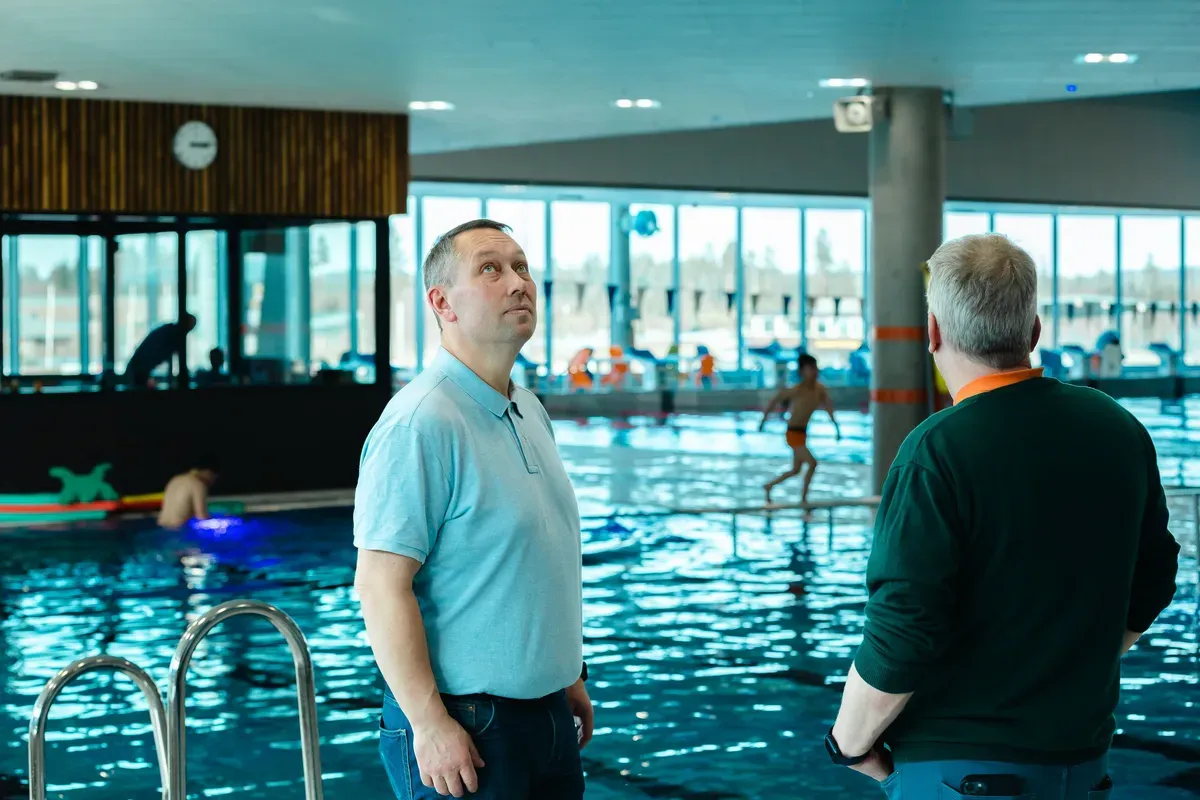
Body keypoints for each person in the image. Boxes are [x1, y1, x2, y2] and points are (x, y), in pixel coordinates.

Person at [826, 234, 1180, 798]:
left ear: (934, 332)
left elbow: (904, 625)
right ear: (1035, 331)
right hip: (1083, 767)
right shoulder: (1116, 429)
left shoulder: (936, 451)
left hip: (961, 773)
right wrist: (1076, 657)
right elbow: (1157, 576)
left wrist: (847, 742)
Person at [353, 219, 592, 800]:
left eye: (522, 267)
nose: (518, 283)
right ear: (442, 302)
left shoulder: (528, 409)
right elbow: (380, 587)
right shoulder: (421, 423)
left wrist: (569, 675)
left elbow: (534, 557)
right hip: (466, 728)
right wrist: (430, 724)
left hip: (548, 715)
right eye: (491, 269)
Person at [759, 354, 840, 503]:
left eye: (815, 368)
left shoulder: (820, 389)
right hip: (792, 432)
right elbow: (774, 401)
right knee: (812, 463)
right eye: (811, 369)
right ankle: (804, 500)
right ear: (802, 371)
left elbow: (828, 407)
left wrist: (836, 427)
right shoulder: (796, 390)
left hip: (802, 433)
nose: (814, 371)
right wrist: (763, 421)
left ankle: (769, 486)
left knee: (796, 470)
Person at [125, 313, 196, 387]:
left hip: (138, 367)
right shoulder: (173, 334)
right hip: (138, 368)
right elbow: (171, 359)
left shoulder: (168, 330)